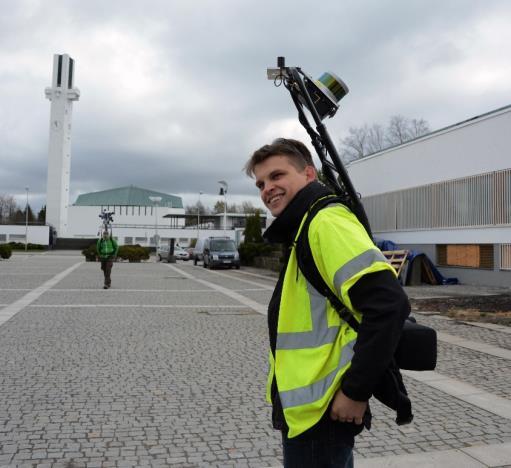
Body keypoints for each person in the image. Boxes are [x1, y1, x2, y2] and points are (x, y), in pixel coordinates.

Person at [244, 138, 410, 467]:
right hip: (310, 410)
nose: (267, 189)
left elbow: (388, 304)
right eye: (261, 183)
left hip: (325, 410)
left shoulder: (325, 223)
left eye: (277, 176)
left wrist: (355, 391)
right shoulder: (304, 226)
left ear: (309, 174)